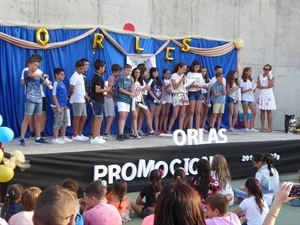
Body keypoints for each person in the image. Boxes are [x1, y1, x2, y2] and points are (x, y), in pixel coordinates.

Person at [19, 56, 49, 146]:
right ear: (29, 64)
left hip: (39, 99)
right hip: (30, 99)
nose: (36, 67)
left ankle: (38, 138)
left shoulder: (38, 74)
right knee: (27, 118)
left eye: (37, 66)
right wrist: (42, 75)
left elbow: (42, 82)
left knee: (38, 118)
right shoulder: (26, 71)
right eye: (35, 65)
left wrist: (47, 83)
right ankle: (22, 138)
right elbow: (31, 75)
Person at [69, 60, 89, 141]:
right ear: (76, 68)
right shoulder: (74, 77)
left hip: (82, 99)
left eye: (83, 69)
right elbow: (71, 89)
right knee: (77, 117)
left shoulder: (81, 76)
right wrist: (72, 96)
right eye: (80, 69)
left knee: (84, 117)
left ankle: (80, 134)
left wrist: (85, 95)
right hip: (77, 99)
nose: (82, 70)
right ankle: (75, 134)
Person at [51, 68, 73, 144]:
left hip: (63, 105)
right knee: (58, 121)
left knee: (64, 121)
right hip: (58, 106)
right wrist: (58, 107)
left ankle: (63, 136)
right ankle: (55, 138)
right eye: (61, 74)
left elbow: (63, 96)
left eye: (63, 74)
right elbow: (54, 96)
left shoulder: (62, 83)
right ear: (56, 75)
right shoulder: (55, 83)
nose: (63, 76)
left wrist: (65, 105)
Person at [167, 62, 189, 133]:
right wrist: (181, 80)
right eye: (183, 69)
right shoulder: (174, 76)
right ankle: (169, 130)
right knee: (175, 114)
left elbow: (185, 86)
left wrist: (189, 84)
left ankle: (180, 130)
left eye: (185, 70)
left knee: (182, 114)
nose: (184, 71)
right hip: (177, 95)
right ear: (179, 68)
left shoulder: (184, 76)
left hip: (184, 94)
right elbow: (175, 86)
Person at [136, 64, 157, 136]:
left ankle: (138, 129)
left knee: (141, 115)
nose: (146, 73)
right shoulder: (138, 80)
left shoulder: (144, 80)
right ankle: (150, 130)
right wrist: (145, 88)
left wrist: (147, 88)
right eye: (145, 71)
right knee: (148, 114)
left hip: (144, 97)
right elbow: (138, 90)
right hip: (141, 98)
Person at [116, 64, 135, 141]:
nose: (129, 72)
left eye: (130, 70)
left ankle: (122, 133)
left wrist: (133, 83)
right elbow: (120, 89)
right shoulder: (121, 78)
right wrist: (130, 94)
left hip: (127, 100)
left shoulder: (129, 79)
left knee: (125, 116)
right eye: (127, 70)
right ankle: (120, 134)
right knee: (122, 116)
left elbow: (131, 90)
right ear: (124, 70)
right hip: (121, 99)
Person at [89, 59, 106, 144]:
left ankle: (98, 135)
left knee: (100, 117)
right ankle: (94, 137)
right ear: (101, 67)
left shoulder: (95, 76)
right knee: (98, 117)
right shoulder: (98, 77)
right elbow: (97, 90)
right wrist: (107, 89)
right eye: (104, 67)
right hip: (97, 99)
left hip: (98, 99)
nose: (104, 69)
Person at [103, 64, 122, 139]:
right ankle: (106, 132)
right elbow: (109, 89)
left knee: (109, 116)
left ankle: (108, 132)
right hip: (108, 98)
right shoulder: (111, 78)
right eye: (118, 72)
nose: (119, 73)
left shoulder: (114, 78)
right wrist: (114, 95)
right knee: (112, 115)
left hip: (110, 98)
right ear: (113, 72)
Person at [256, 64, 277, 132]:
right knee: (262, 111)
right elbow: (258, 85)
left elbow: (271, 85)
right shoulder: (259, 76)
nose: (265, 70)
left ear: (270, 70)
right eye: (264, 69)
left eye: (267, 69)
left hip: (269, 94)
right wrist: (264, 87)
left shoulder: (272, 77)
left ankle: (269, 127)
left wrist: (268, 78)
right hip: (262, 93)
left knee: (269, 111)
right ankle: (262, 127)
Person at [186, 60, 203, 129]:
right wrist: (191, 85)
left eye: (198, 67)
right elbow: (187, 85)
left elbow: (201, 83)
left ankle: (197, 128)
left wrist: (200, 85)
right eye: (196, 67)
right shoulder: (189, 73)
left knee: (198, 111)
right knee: (191, 111)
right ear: (193, 66)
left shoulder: (200, 74)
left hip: (198, 92)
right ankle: (190, 128)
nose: (197, 68)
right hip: (191, 92)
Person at [240, 67, 258, 132]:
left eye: (251, 71)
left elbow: (253, 90)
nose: (251, 72)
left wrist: (254, 88)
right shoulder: (242, 80)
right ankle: (246, 127)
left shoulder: (251, 80)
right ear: (246, 72)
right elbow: (241, 91)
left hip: (251, 98)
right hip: (245, 97)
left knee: (254, 112)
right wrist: (247, 90)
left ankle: (251, 127)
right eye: (250, 71)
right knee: (246, 112)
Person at [147, 67, 164, 133]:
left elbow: (163, 90)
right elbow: (149, 90)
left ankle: (156, 129)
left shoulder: (160, 81)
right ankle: (150, 129)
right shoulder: (149, 81)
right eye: (154, 72)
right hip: (152, 100)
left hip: (159, 100)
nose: (156, 73)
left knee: (157, 115)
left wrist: (162, 98)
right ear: (151, 73)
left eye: (157, 72)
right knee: (151, 115)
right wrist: (155, 98)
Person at [208, 65, 225, 130]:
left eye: (222, 77)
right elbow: (215, 94)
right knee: (214, 115)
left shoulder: (222, 84)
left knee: (220, 115)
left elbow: (225, 92)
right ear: (217, 78)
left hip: (222, 101)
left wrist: (223, 85)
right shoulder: (214, 84)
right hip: (216, 101)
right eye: (220, 77)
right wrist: (221, 93)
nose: (221, 79)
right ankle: (211, 127)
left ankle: (218, 128)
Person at [130, 67, 144, 139]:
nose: (137, 74)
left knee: (135, 117)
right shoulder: (132, 81)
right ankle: (135, 133)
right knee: (135, 116)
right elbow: (131, 91)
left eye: (139, 72)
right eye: (136, 72)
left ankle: (133, 131)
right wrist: (134, 100)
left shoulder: (139, 82)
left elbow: (140, 93)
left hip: (138, 101)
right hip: (133, 101)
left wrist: (142, 101)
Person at [158, 68, 172, 133]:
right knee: (163, 113)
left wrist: (171, 91)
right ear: (163, 74)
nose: (168, 75)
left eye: (169, 73)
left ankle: (164, 127)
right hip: (163, 97)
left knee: (166, 114)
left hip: (169, 97)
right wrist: (168, 85)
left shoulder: (170, 80)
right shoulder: (161, 80)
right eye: (167, 73)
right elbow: (162, 88)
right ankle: (159, 127)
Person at [200, 66, 211, 132]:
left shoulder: (209, 80)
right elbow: (199, 90)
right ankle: (198, 127)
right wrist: (203, 98)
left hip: (207, 96)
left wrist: (207, 98)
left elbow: (209, 90)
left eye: (204, 71)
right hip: (201, 96)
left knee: (205, 114)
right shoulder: (199, 79)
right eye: (202, 71)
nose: (203, 73)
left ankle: (202, 127)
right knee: (201, 113)